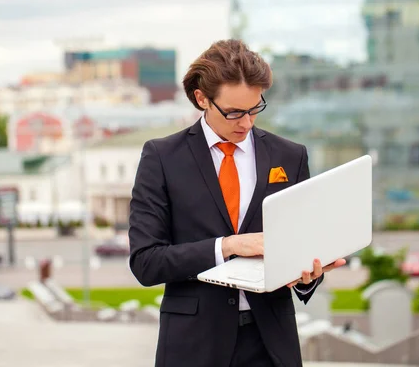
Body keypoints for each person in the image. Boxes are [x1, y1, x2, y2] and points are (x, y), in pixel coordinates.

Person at [128, 39, 345, 367]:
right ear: (202, 99)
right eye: (233, 112)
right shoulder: (162, 158)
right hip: (193, 345)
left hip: (271, 344)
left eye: (255, 108)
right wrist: (227, 246)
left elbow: (299, 244)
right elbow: (146, 262)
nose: (246, 123)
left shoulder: (290, 155)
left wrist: (307, 275)